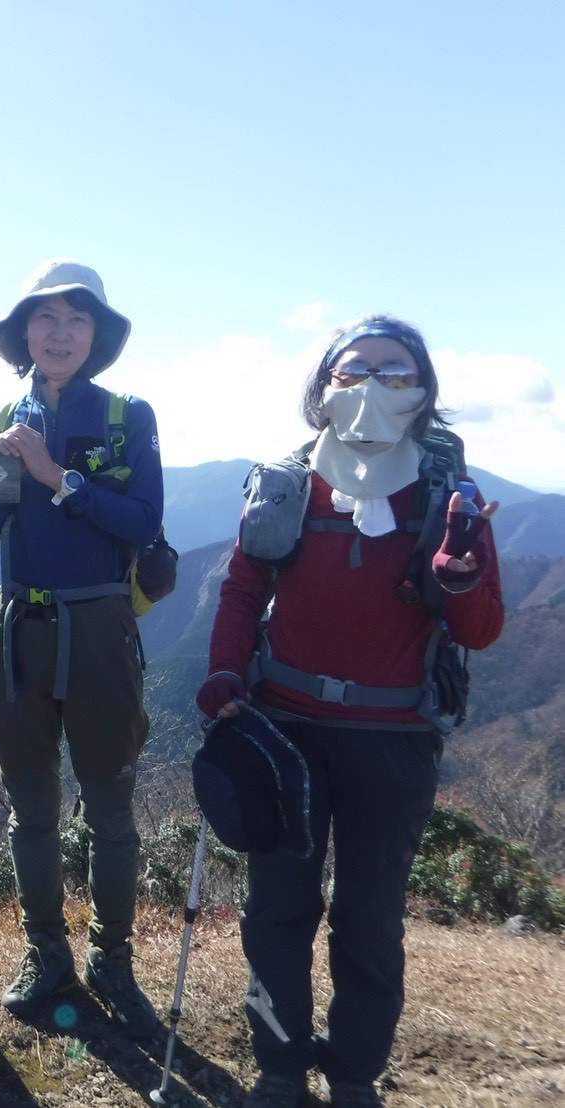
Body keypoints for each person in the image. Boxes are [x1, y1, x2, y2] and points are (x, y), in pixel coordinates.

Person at [195, 315, 505, 1108]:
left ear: (424, 393)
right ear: (321, 389)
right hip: (284, 731)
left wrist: (460, 577)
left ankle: (355, 1074)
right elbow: (242, 588)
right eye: (351, 371)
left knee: (368, 920)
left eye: (394, 374)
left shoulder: (449, 500)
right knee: (278, 909)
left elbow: (481, 629)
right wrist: (225, 674)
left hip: (392, 736)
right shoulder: (287, 483)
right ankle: (277, 1065)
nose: (370, 387)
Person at [0, 259, 163, 1037]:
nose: (57, 332)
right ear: (22, 333)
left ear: (96, 335)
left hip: (100, 629)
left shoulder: (126, 414)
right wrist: (0, 473)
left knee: (109, 803)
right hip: (19, 628)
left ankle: (112, 958)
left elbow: (141, 520)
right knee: (30, 807)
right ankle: (45, 953)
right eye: (43, 318)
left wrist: (53, 474)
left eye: (75, 319)